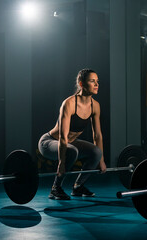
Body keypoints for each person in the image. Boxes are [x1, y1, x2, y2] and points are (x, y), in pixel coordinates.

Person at [38, 68, 106, 200]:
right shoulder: (69, 103)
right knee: (72, 151)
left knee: (97, 152)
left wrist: (101, 161)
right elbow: (63, 137)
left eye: (97, 81)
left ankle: (78, 186)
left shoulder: (95, 106)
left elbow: (97, 135)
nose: (97, 84)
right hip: (49, 143)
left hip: (69, 144)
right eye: (92, 81)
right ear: (81, 84)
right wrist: (61, 163)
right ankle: (55, 188)